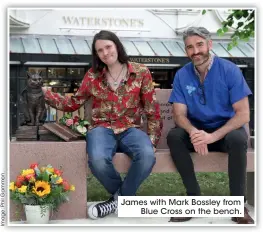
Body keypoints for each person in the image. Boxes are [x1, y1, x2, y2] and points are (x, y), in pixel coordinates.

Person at [43, 30, 163, 219]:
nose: (106, 53)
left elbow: (152, 109)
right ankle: (125, 199)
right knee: (97, 160)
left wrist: (153, 139)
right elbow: (74, 103)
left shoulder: (140, 72)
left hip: (131, 128)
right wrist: (46, 94)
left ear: (116, 45)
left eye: (108, 47)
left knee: (147, 155)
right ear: (96, 54)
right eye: (100, 50)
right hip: (101, 129)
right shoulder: (92, 76)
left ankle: (116, 201)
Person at [167, 27, 254, 224]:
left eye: (199, 45)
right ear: (186, 51)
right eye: (190, 47)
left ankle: (238, 205)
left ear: (209, 44)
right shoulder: (182, 75)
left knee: (239, 138)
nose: (195, 51)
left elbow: (243, 115)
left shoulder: (230, 71)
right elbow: (179, 115)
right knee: (174, 136)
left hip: (225, 132)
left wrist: (212, 137)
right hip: (196, 132)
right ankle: (194, 199)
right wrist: (194, 132)